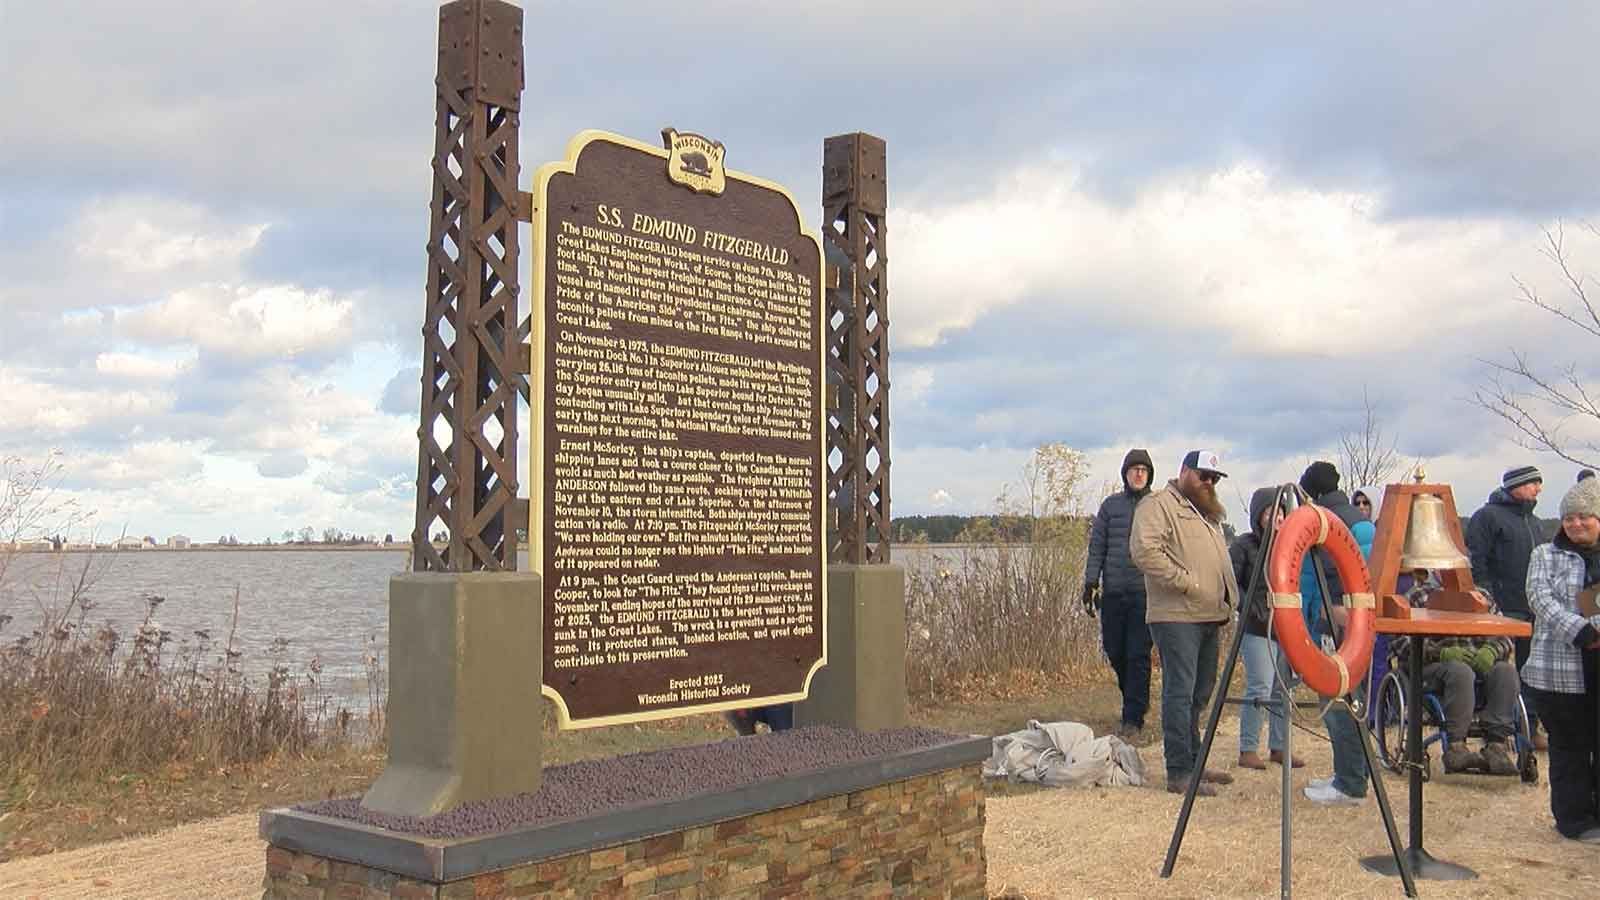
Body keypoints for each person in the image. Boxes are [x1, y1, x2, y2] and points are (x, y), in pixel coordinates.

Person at [1130, 449, 1241, 797]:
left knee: (1200, 693)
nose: (1208, 482)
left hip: (1209, 615)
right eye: (1203, 475)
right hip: (1176, 616)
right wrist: (1187, 582)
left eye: (1214, 478)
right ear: (1184, 471)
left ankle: (1194, 761)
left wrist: (1227, 598)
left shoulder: (1207, 514)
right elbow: (1145, 551)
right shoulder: (1158, 505)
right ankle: (1178, 771)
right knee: (1179, 693)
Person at [1523, 476, 1600, 842]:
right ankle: (1574, 819)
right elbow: (1539, 599)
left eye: (1585, 516)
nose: (1576, 524)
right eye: (1570, 518)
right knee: (1568, 747)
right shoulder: (1544, 555)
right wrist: (1580, 630)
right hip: (1560, 671)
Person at [1296, 461, 1376, 806]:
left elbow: (1318, 580)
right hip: (1354, 625)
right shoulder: (1362, 523)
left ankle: (1350, 783)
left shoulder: (1320, 523)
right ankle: (1352, 772)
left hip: (1335, 625)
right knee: (1352, 699)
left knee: (1338, 700)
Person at [1388, 570, 1521, 775]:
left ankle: (1497, 745)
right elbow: (1399, 642)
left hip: (1479, 665)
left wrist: (1492, 650)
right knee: (1460, 672)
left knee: (1506, 671)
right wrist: (1439, 652)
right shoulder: (1417, 596)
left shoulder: (1482, 596)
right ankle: (1456, 747)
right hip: (1433, 668)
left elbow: (1505, 633)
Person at [1467, 465, 1548, 748]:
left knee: (1532, 672)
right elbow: (1477, 562)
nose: (1538, 489)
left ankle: (1529, 728)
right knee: (1501, 671)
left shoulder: (1535, 523)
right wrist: (1489, 600)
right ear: (1516, 486)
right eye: (1534, 483)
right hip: (1502, 609)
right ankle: (1496, 730)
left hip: (1533, 611)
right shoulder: (1487, 518)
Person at [1083, 449, 1156, 739]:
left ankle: (1133, 718)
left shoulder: (1158, 506)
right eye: (1134, 469)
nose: (1139, 473)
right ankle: (1135, 700)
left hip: (1145, 594)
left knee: (1138, 655)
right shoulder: (1110, 507)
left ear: (1149, 475)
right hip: (1113, 592)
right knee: (1116, 652)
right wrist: (1090, 583)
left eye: (1144, 469)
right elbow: (1097, 546)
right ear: (1125, 474)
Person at [1231, 486, 1303, 770]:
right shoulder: (1244, 546)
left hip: (1285, 627)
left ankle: (1279, 746)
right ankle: (1248, 748)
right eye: (1271, 511)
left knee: (1283, 689)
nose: (1277, 516)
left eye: (1281, 511)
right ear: (1259, 514)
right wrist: (1251, 606)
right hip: (1257, 627)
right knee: (1259, 686)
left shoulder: (1291, 547)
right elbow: (1233, 584)